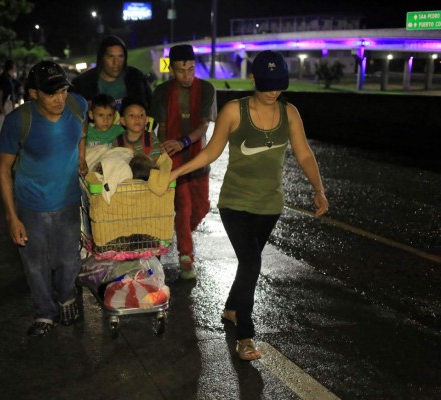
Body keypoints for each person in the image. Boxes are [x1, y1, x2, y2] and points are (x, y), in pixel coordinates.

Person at [168, 50, 329, 361]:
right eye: (267, 84)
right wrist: (175, 173)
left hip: (270, 204)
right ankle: (245, 335)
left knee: (247, 262)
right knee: (252, 263)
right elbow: (211, 152)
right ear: (253, 78)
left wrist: (318, 189)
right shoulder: (234, 111)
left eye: (278, 85)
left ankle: (231, 308)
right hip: (236, 203)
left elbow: (305, 154)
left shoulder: (290, 113)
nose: (273, 92)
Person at [0, 61, 88, 337]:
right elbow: (3, 169)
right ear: (34, 93)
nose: (60, 98)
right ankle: (45, 312)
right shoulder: (18, 121)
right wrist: (12, 217)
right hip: (31, 204)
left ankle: (66, 297)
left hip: (69, 200)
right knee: (35, 264)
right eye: (51, 93)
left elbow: (82, 131)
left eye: (62, 90)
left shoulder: (77, 105)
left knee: (69, 259)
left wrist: (81, 157)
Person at [151, 44, 217, 280]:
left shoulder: (207, 89)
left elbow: (203, 126)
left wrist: (184, 141)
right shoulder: (161, 92)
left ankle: (182, 233)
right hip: (175, 159)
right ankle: (186, 258)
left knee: (201, 207)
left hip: (198, 155)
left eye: (190, 69)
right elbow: (163, 128)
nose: (187, 76)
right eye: (181, 71)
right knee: (184, 206)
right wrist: (165, 154)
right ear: (172, 70)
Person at [71, 35, 153, 111]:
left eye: (120, 56)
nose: (116, 62)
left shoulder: (136, 78)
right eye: (111, 57)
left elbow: (150, 106)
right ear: (101, 58)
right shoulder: (82, 84)